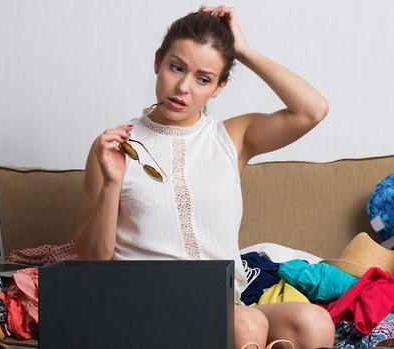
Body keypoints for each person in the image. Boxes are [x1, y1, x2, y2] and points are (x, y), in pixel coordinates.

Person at [75, 5, 334, 349]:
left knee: (314, 322)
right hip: (143, 307)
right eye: (176, 67)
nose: (183, 87)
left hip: (224, 305)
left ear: (220, 86)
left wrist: (242, 49)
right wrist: (111, 183)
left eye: (203, 78)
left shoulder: (232, 138)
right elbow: (91, 258)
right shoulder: (116, 145)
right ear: (158, 62)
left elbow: (312, 109)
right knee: (246, 324)